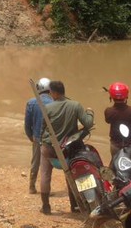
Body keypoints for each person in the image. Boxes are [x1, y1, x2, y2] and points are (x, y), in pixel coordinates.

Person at [39, 80, 94, 215]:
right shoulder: (75, 105)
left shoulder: (48, 108)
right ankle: (74, 205)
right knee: (72, 173)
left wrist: (41, 141)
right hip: (68, 149)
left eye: (51, 92)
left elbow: (43, 128)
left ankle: (46, 206)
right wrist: (90, 112)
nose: (50, 94)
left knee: (45, 174)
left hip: (49, 148)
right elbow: (88, 123)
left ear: (55, 93)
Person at [104, 82, 131, 173]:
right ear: (126, 96)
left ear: (111, 97)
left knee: (115, 167)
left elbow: (108, 121)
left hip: (115, 146)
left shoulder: (108, 111)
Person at [24, 77, 53, 194]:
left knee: (35, 162)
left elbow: (27, 124)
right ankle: (46, 189)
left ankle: (32, 186)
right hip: (51, 139)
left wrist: (30, 136)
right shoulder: (55, 103)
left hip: (36, 137)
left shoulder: (31, 103)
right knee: (48, 165)